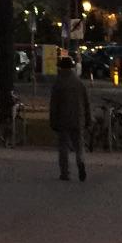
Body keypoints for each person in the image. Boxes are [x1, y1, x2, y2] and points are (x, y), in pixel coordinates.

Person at [49, 53, 91, 181]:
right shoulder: (79, 83)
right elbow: (86, 102)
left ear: (61, 68)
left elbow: (54, 105)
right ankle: (80, 162)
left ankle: (65, 172)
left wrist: (53, 121)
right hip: (78, 118)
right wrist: (88, 119)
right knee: (79, 145)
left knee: (63, 147)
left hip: (62, 119)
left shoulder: (58, 83)